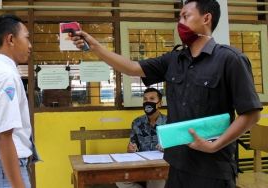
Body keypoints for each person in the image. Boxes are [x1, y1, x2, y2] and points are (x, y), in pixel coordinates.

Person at [72, 0, 262, 187]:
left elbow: (251, 114)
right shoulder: (173, 60)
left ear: (206, 18)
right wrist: (95, 46)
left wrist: (215, 145)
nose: (180, 22)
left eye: (185, 16)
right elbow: (131, 68)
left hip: (212, 170)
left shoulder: (230, 59)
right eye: (179, 17)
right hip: (176, 165)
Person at [0, 14, 38, 188]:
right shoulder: (5, 76)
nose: (30, 45)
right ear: (10, 39)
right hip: (6, 174)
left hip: (3, 171)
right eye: (26, 38)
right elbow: (4, 136)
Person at [116, 88, 167, 188]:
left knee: (157, 179)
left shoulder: (168, 122)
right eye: (145, 99)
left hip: (161, 167)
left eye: (152, 99)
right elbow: (132, 147)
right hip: (141, 165)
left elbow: (177, 149)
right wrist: (130, 148)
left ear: (160, 103)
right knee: (119, 179)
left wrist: (167, 148)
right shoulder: (137, 122)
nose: (147, 102)